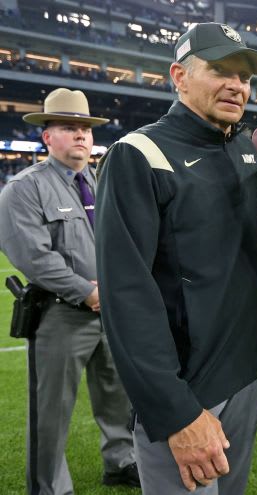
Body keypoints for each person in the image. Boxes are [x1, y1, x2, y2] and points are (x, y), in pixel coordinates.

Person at [95, 22, 257, 494]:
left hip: (245, 374)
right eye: (219, 70)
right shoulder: (138, 154)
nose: (236, 85)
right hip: (188, 392)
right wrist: (176, 412)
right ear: (179, 75)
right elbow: (126, 297)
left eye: (244, 76)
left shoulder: (244, 145)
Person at [0, 88, 139, 494]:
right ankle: (49, 486)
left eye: (84, 129)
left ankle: (120, 461)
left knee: (118, 396)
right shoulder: (24, 188)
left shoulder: (100, 182)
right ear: (47, 137)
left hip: (111, 313)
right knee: (51, 409)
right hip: (61, 314)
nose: (80, 135)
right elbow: (33, 257)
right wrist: (87, 291)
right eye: (67, 128)